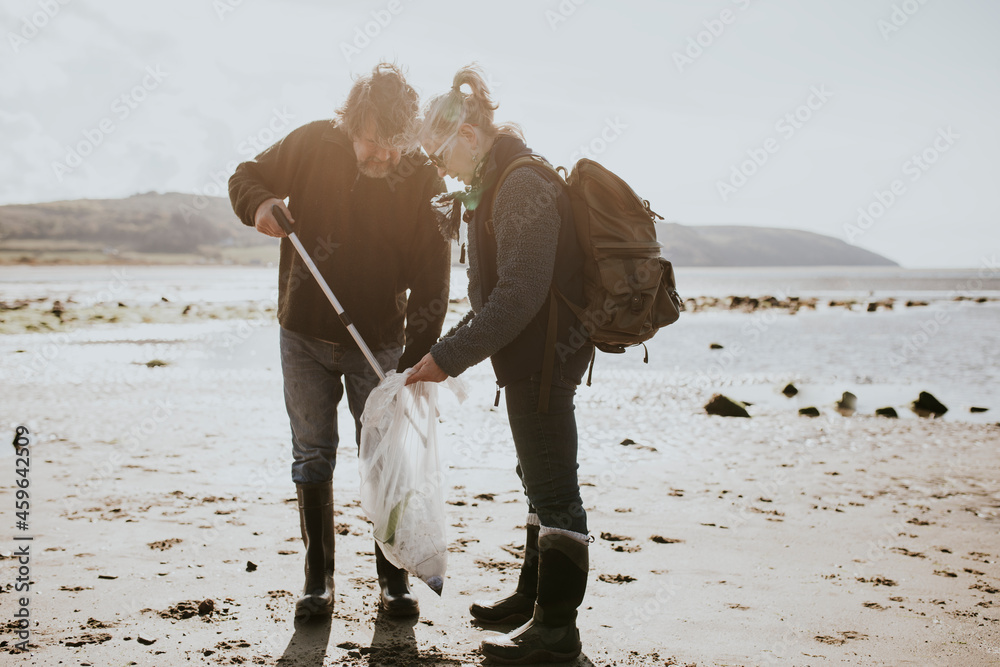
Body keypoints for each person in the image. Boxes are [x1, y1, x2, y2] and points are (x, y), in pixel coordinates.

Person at [228, 63, 451, 620]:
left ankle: (393, 580)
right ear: (353, 122)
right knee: (312, 452)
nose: (385, 158)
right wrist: (258, 205)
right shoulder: (309, 143)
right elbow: (245, 175)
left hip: (379, 342)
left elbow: (434, 274)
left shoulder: (422, 177)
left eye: (397, 146)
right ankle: (317, 580)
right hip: (301, 331)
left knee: (384, 457)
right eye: (374, 143)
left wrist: (423, 354)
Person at [405, 65, 594, 664]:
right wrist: (443, 353)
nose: (440, 169)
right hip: (529, 356)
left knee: (555, 486)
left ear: (467, 135)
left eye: (439, 155)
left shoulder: (519, 185)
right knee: (536, 478)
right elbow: (496, 300)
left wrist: (446, 358)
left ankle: (557, 632)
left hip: (545, 357)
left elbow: (518, 296)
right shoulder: (496, 183)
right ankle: (531, 599)